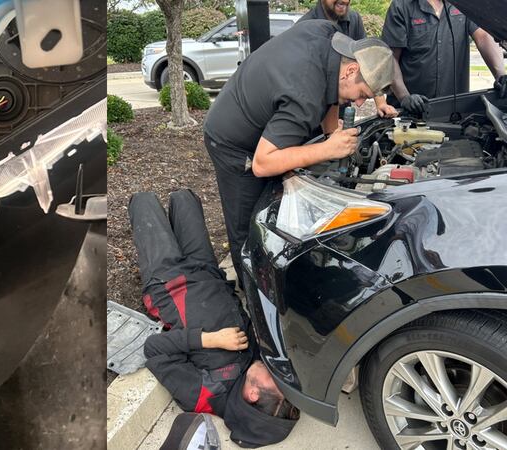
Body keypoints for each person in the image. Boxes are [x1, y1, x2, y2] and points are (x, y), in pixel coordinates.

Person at [203, 20, 394, 281]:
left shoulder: (327, 34)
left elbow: (332, 93)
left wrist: (330, 135)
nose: (360, 103)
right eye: (362, 94)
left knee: (273, 205)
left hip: (257, 114)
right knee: (248, 233)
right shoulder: (304, 95)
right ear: (351, 70)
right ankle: (254, 302)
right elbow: (262, 164)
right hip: (233, 143)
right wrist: (328, 149)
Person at [130, 190, 298, 448]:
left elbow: (155, 350)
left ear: (252, 395)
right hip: (207, 270)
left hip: (169, 283)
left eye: (275, 384)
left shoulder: (204, 396)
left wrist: (210, 340)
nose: (278, 375)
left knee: (143, 201)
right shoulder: (256, 367)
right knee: (184, 197)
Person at [381, 0, 507, 115]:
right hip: (410, 111)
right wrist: (404, 97)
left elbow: (483, 37)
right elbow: (390, 58)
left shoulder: (465, 5)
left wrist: (500, 75)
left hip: (451, 111)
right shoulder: (401, 6)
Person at [297, 1, 398, 118]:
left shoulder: (353, 19)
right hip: (312, 115)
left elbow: (370, 65)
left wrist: (381, 103)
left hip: (340, 112)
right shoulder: (306, 28)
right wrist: (330, 130)